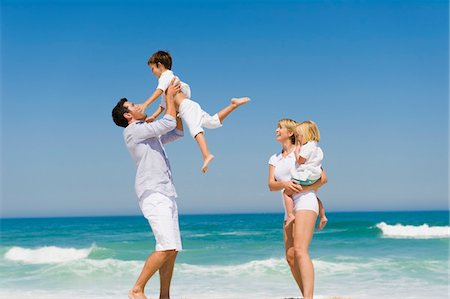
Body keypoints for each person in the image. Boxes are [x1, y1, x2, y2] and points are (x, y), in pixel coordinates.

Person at [112, 79, 183, 299]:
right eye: (134, 105)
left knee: (172, 250)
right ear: (128, 115)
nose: (140, 106)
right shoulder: (133, 131)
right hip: (153, 192)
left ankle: (164, 296)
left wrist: (177, 106)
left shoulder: (145, 130)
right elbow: (168, 122)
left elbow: (176, 132)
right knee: (167, 246)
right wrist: (169, 97)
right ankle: (137, 289)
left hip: (166, 191)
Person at [136, 50, 250, 173]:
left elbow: (158, 91)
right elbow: (163, 105)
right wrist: (153, 116)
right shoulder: (169, 80)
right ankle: (233, 105)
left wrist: (145, 104)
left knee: (194, 129)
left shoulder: (166, 76)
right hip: (189, 106)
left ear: (159, 65)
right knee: (212, 122)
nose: (152, 72)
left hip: (186, 107)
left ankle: (206, 155)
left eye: (152, 68)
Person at [268, 119, 328, 299]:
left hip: (306, 201)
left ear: (291, 132)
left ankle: (308, 298)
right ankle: (305, 295)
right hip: (289, 206)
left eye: (280, 127)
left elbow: (323, 178)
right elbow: (271, 185)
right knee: (291, 256)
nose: (276, 130)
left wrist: (305, 188)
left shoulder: (304, 150)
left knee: (301, 250)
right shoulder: (274, 158)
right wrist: (285, 184)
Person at [283, 121, 328, 229]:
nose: (297, 138)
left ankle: (290, 215)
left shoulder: (307, 147)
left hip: (305, 177)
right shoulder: (317, 148)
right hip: (314, 176)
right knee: (313, 195)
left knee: (286, 192)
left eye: (298, 136)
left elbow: (300, 161)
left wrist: (297, 151)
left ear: (305, 135)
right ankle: (322, 215)